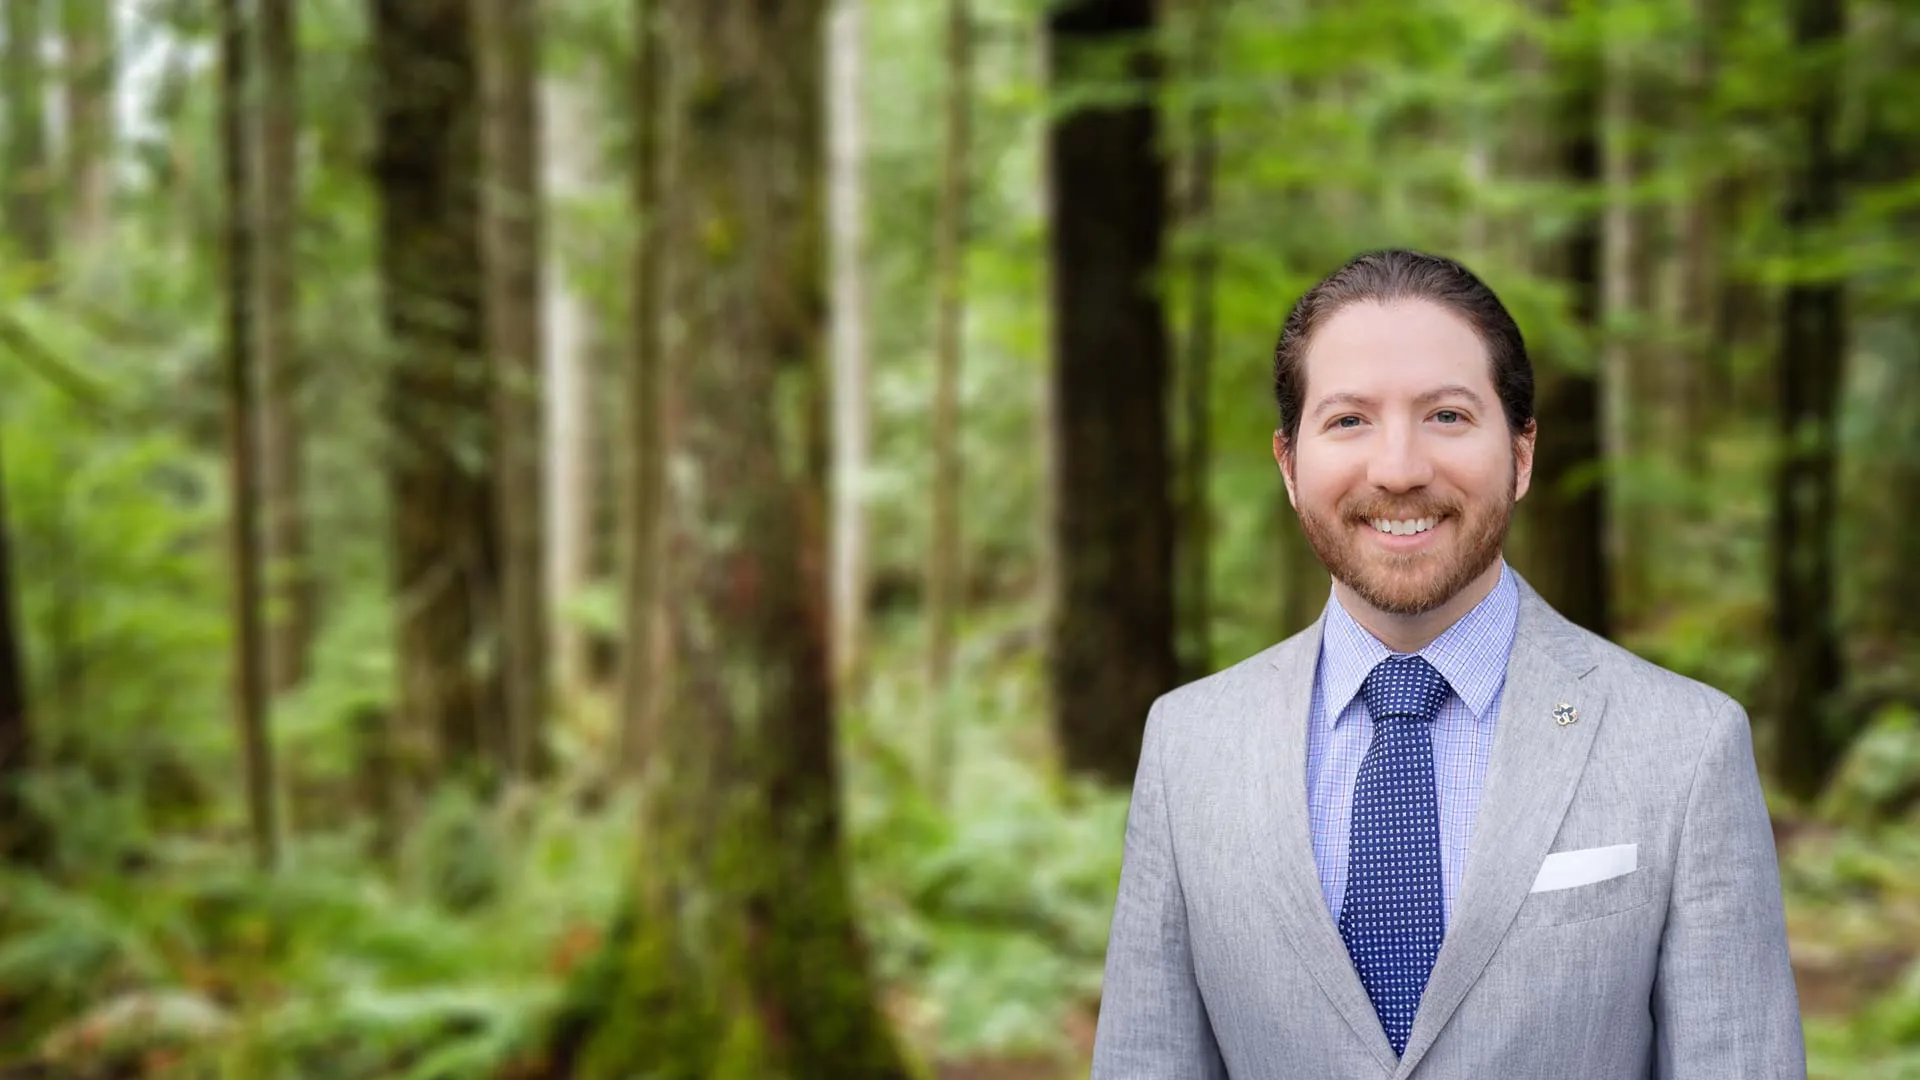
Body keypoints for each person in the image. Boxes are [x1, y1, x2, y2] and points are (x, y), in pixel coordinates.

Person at [1089, 249, 1804, 1079]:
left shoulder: (1687, 746)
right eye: (1349, 420)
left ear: (1523, 454)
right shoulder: (1189, 746)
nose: (1398, 469)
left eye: (1448, 417)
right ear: (1289, 465)